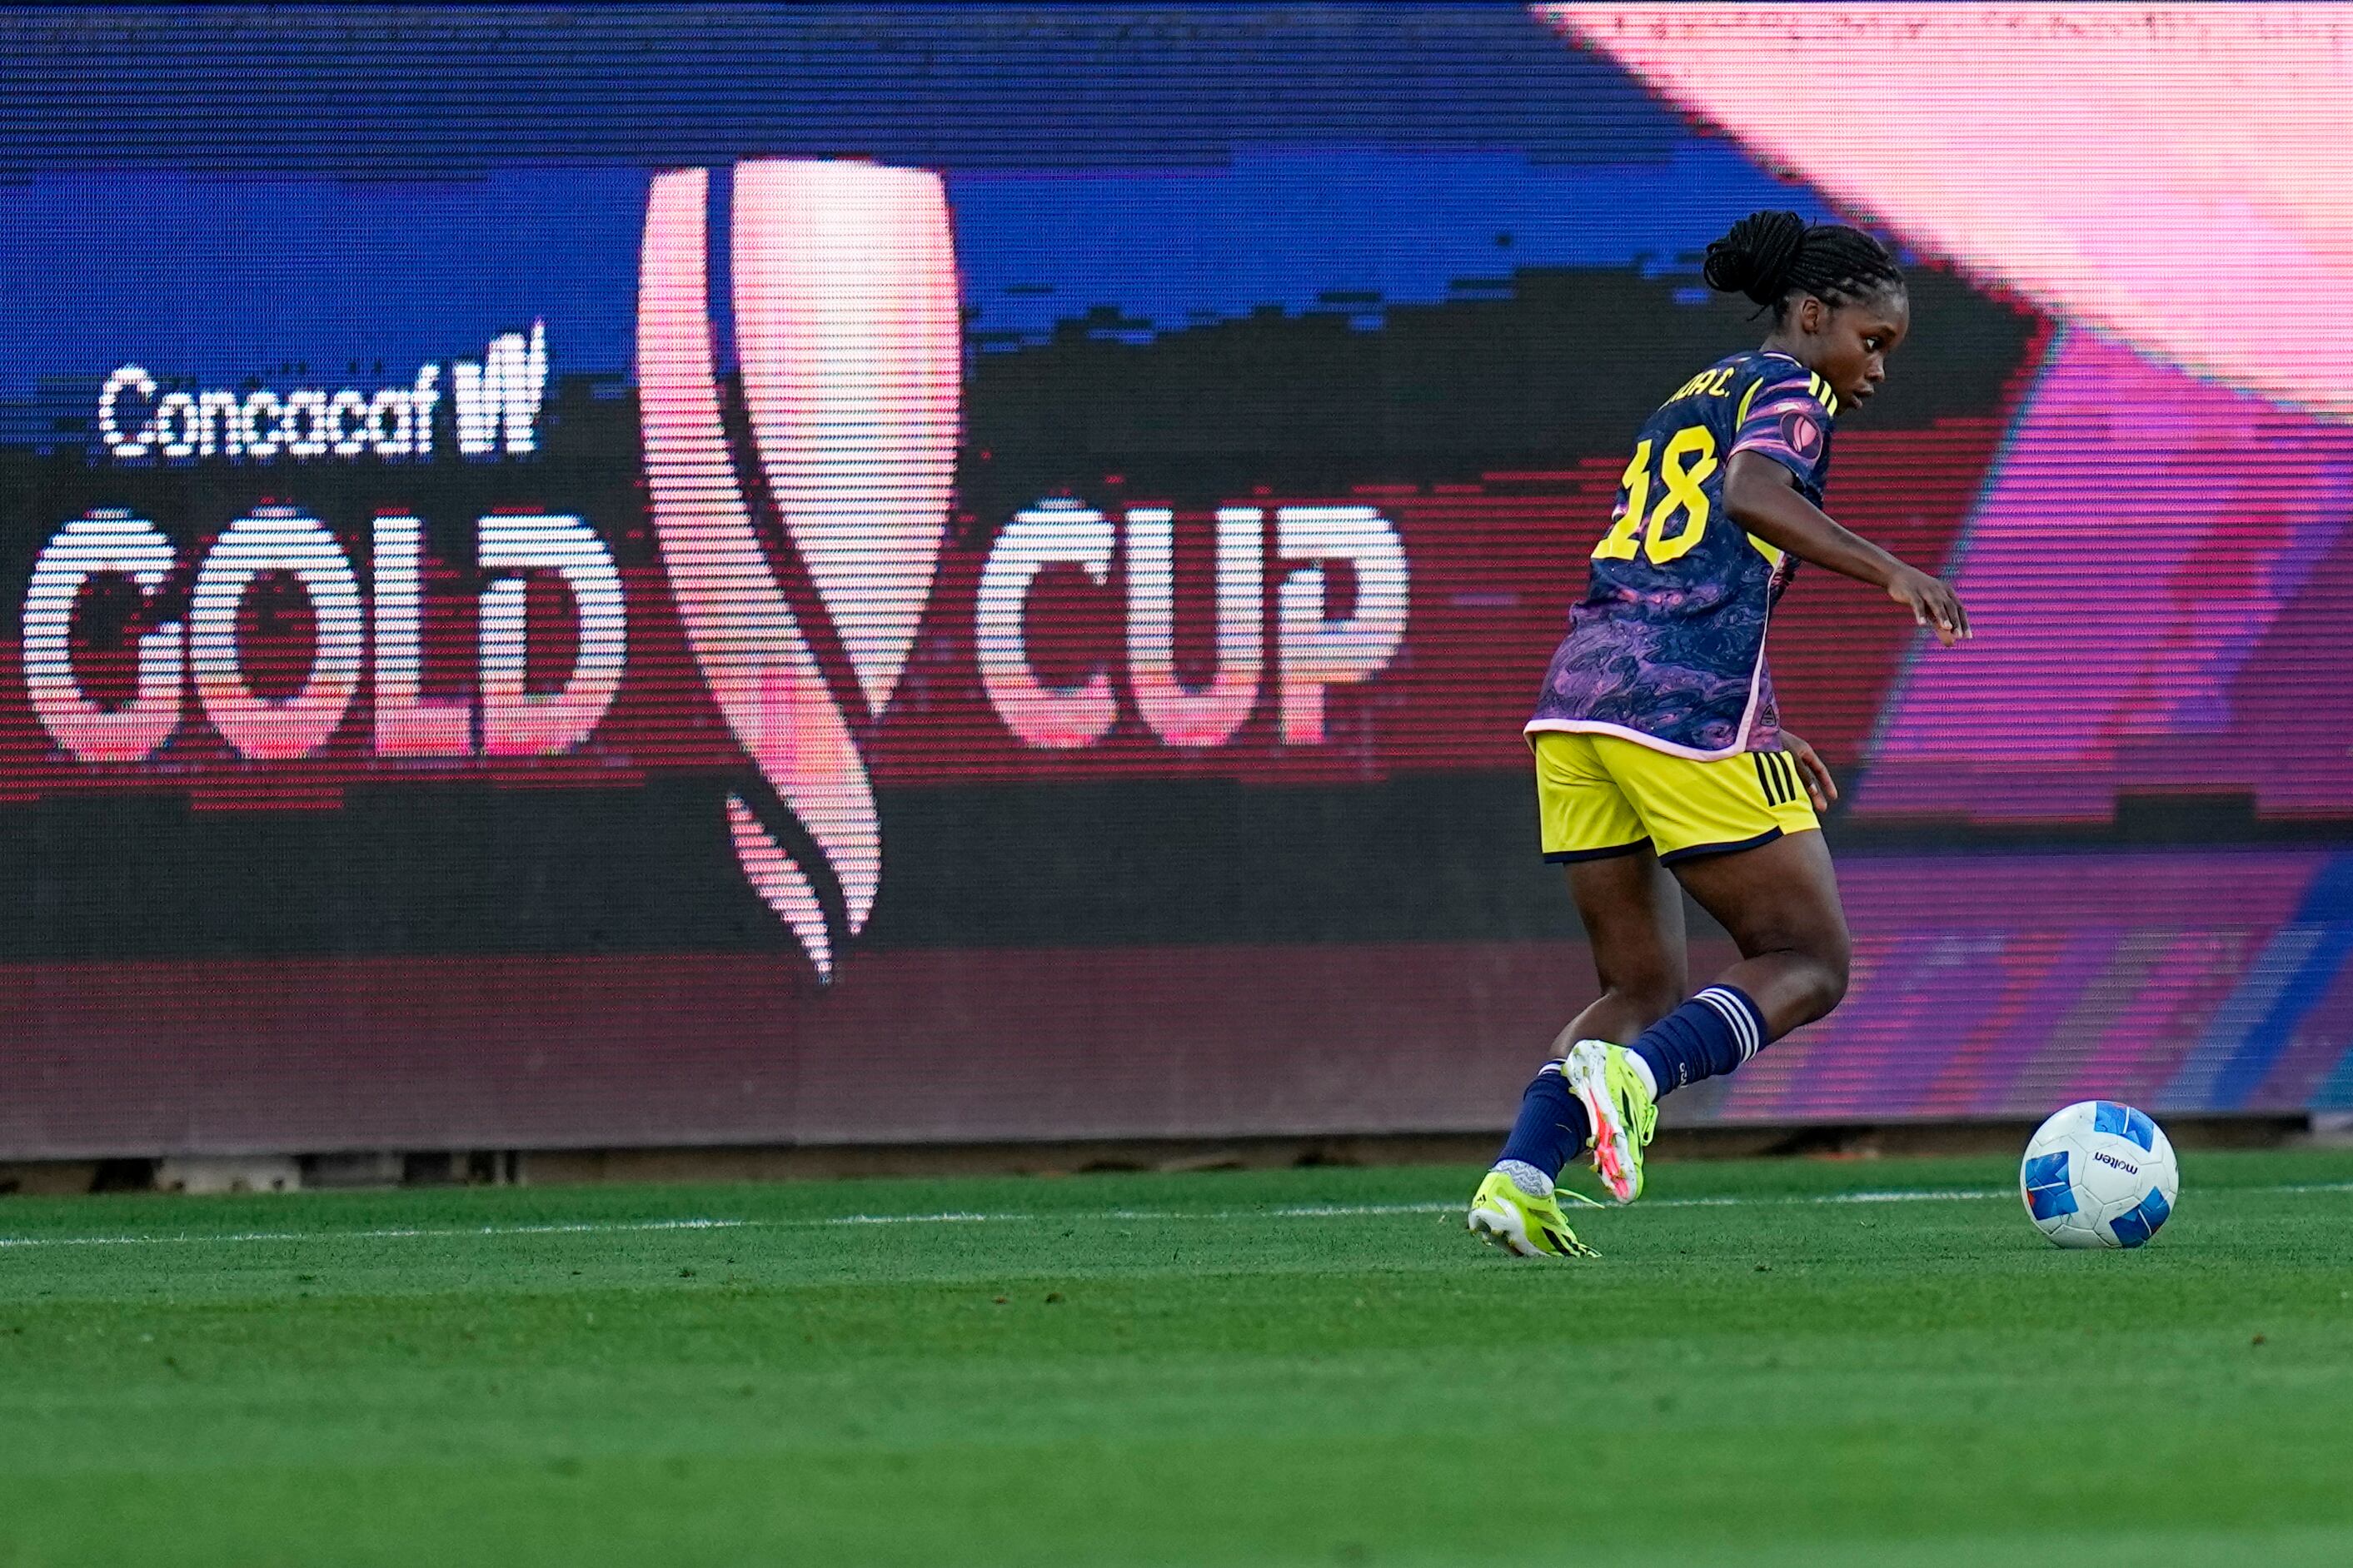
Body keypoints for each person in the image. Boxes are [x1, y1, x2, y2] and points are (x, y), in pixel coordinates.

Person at [1467, 210, 1970, 1257]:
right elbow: (1748, 497)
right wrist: (1890, 568)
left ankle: (1518, 1176)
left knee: (1639, 986)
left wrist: (1766, 716)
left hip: (1577, 703)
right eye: (1868, 342)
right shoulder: (1793, 389)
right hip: (1681, 707)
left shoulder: (1697, 390)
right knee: (1806, 959)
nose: (1873, 370)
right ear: (1809, 311)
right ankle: (1639, 1078)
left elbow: (1685, 567)